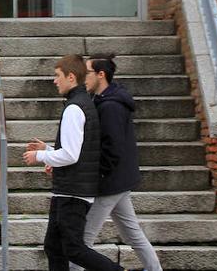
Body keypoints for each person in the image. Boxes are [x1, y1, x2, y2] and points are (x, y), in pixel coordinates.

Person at [23, 55, 132, 271]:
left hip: (72, 192)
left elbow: (71, 155)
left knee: (73, 249)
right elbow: (78, 152)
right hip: (69, 189)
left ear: (70, 77)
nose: (55, 81)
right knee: (54, 247)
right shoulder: (82, 103)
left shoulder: (74, 108)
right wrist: (49, 150)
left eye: (57, 76)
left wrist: (41, 157)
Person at [71, 54, 161, 271]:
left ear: (101, 75)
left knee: (81, 242)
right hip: (119, 181)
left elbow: (112, 148)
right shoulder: (105, 100)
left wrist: (98, 175)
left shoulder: (110, 106)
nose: (83, 78)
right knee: (133, 234)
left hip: (109, 183)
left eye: (87, 73)